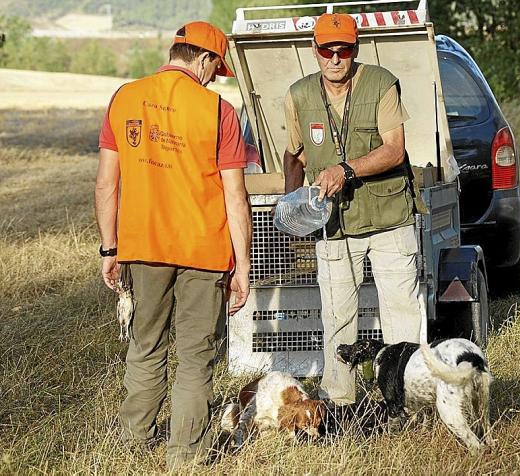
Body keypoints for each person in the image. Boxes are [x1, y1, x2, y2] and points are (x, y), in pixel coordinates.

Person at [94, 21, 252, 468]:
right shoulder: (217, 110)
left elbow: (107, 184)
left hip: (142, 248)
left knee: (145, 347)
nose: (212, 78)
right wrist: (243, 266)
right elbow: (235, 197)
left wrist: (111, 248)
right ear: (203, 59)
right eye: (214, 69)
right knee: (196, 357)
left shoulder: (123, 97)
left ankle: (131, 443)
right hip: (203, 252)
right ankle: (185, 455)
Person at [283, 13, 421, 405]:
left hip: (390, 218)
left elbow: (395, 149)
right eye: (327, 50)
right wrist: (292, 210)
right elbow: (293, 155)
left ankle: (404, 401)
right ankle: (339, 403)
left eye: (343, 50)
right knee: (337, 318)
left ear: (355, 49)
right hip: (335, 225)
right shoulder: (298, 94)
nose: (335, 58)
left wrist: (346, 169)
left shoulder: (380, 83)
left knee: (402, 314)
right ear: (315, 51)